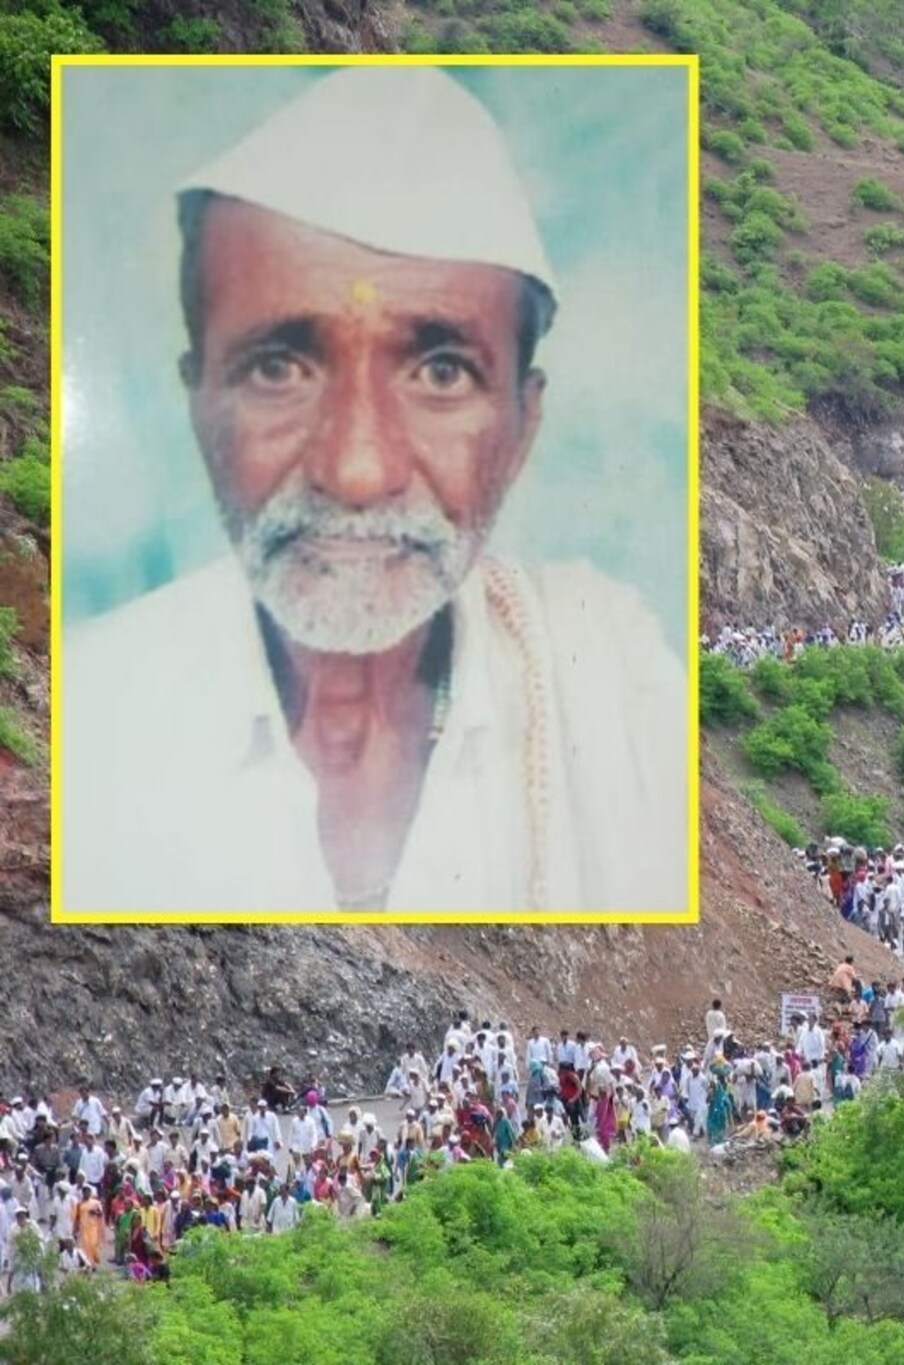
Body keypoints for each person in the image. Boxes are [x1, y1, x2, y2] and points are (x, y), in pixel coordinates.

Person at [61, 65, 688, 913]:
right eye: (279, 367)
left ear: (521, 426)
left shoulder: (622, 698)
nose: (356, 471)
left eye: (441, 371)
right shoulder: (89, 712)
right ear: (197, 401)